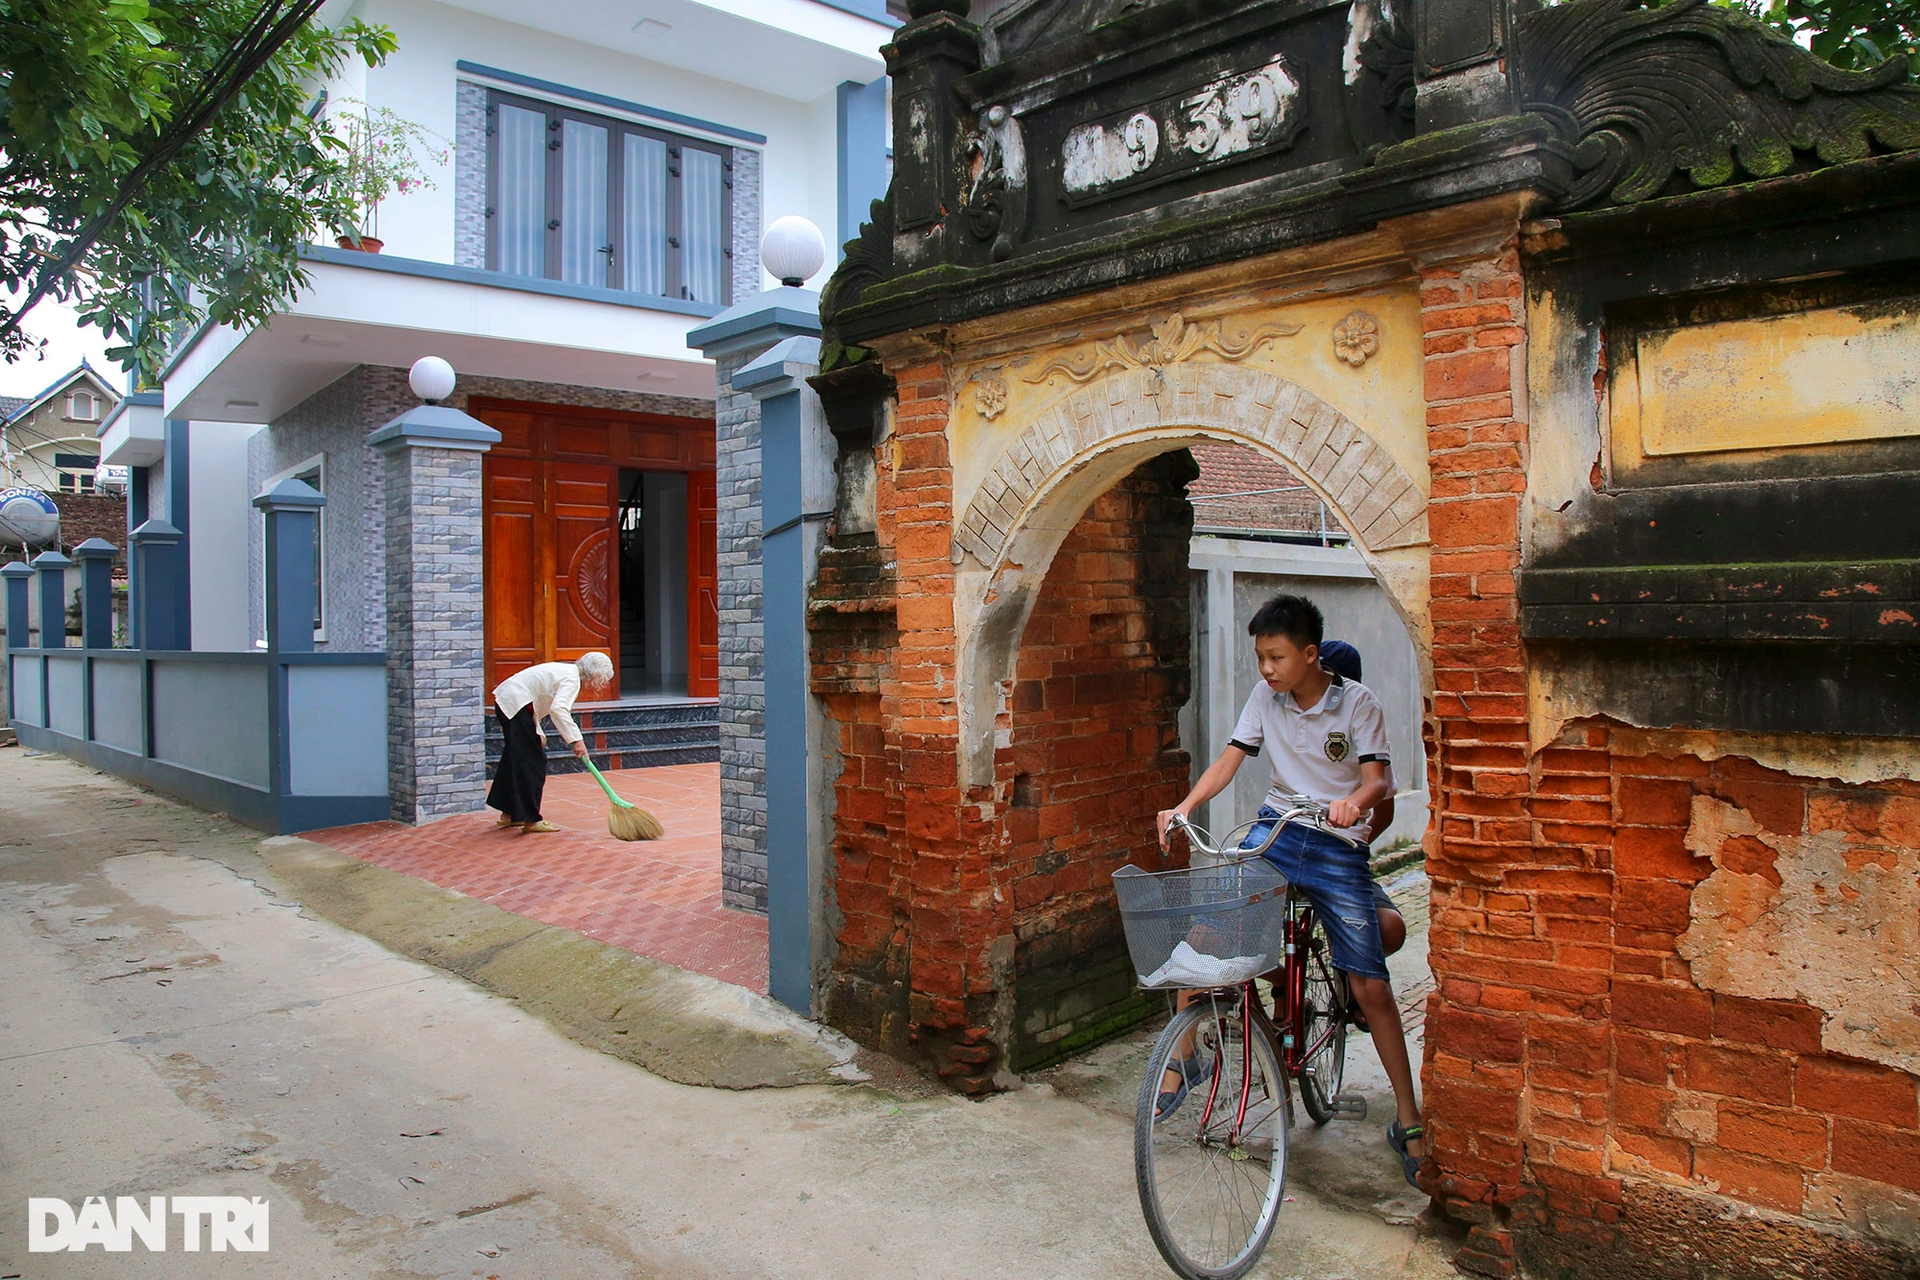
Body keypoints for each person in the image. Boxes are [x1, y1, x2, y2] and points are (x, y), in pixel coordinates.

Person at [1156, 595, 1426, 1187]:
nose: (1267, 669)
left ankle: (1408, 1118)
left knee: (1371, 986)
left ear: (1309, 653)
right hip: (1274, 833)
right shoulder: (1264, 699)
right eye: (1260, 657)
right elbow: (1230, 759)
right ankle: (1186, 1056)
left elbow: (1378, 777)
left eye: (1276, 656)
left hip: (1335, 845)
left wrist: (1354, 803)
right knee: (1209, 931)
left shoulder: (1358, 703)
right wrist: (1184, 806)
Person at [1316, 639, 1407, 966]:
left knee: (1389, 929)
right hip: (1292, 848)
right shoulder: (1290, 718)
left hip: (1340, 857)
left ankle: (1354, 985)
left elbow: (1384, 807)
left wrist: (1354, 843)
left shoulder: (1366, 732)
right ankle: (1285, 995)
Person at [487, 652, 615, 834]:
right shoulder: (572, 679)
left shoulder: (565, 671)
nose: (597, 685)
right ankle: (530, 820)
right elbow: (559, 709)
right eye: (600, 680)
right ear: (594, 675)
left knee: (516, 757)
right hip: (516, 704)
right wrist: (577, 740)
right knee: (533, 762)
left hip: (509, 702)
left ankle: (509, 814)